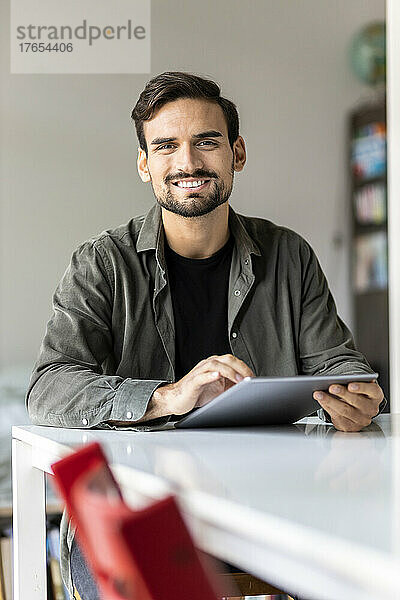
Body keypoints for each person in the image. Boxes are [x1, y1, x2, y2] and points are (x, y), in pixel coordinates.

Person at [26, 71, 385, 599]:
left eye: (207, 142)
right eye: (166, 146)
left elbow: (336, 364)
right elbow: (48, 388)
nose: (189, 163)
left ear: (237, 153)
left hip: (272, 503)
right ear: (144, 164)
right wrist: (167, 396)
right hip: (134, 505)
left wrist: (352, 398)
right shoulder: (101, 264)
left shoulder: (289, 256)